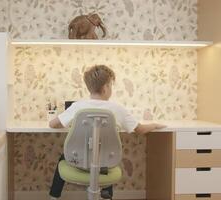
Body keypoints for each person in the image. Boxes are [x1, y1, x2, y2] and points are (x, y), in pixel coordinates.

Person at [49, 65, 166, 200]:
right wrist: (155, 125)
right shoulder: (117, 109)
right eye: (111, 85)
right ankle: (106, 196)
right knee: (105, 154)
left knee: (63, 158)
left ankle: (54, 197)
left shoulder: (78, 106)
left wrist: (70, 123)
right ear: (106, 88)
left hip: (77, 161)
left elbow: (52, 124)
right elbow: (140, 130)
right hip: (104, 165)